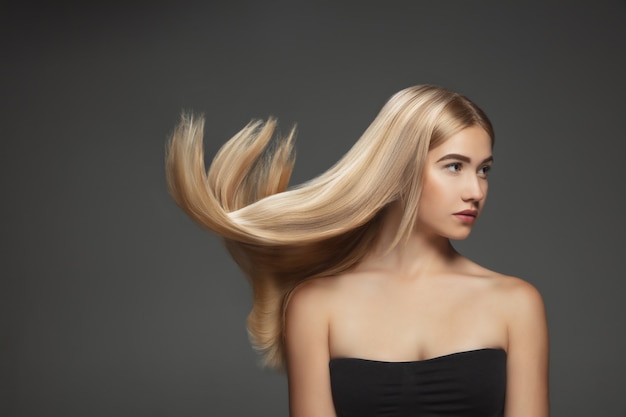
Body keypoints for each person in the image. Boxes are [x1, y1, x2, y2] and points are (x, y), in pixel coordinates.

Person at [165, 85, 549, 417]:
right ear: (401, 168)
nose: (476, 191)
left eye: (484, 170)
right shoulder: (316, 305)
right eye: (454, 167)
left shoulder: (515, 303)